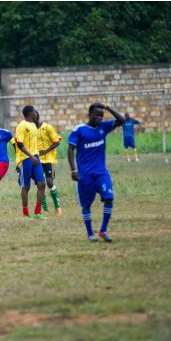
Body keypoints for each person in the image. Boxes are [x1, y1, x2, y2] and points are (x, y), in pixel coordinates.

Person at [68, 102, 125, 242]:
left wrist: (107, 107)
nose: (99, 118)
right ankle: (90, 234)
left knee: (109, 198)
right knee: (86, 205)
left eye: (101, 115)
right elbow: (70, 149)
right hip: (85, 174)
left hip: (101, 172)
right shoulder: (79, 130)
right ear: (89, 114)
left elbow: (122, 120)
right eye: (96, 115)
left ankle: (103, 230)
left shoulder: (103, 127)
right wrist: (74, 170)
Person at [15, 106, 47, 219]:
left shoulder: (33, 125)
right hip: (25, 160)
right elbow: (19, 144)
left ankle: (38, 212)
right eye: (34, 111)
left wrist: (35, 156)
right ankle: (25, 213)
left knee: (42, 183)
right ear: (29, 113)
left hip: (35, 158)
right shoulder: (21, 126)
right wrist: (30, 156)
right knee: (26, 187)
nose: (36, 113)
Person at [34, 110, 63, 215]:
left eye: (34, 116)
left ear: (38, 116)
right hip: (36, 160)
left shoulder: (47, 127)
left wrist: (46, 151)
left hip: (48, 160)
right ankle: (45, 209)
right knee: (40, 184)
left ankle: (57, 207)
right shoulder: (30, 129)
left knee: (50, 183)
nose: (33, 118)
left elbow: (57, 142)